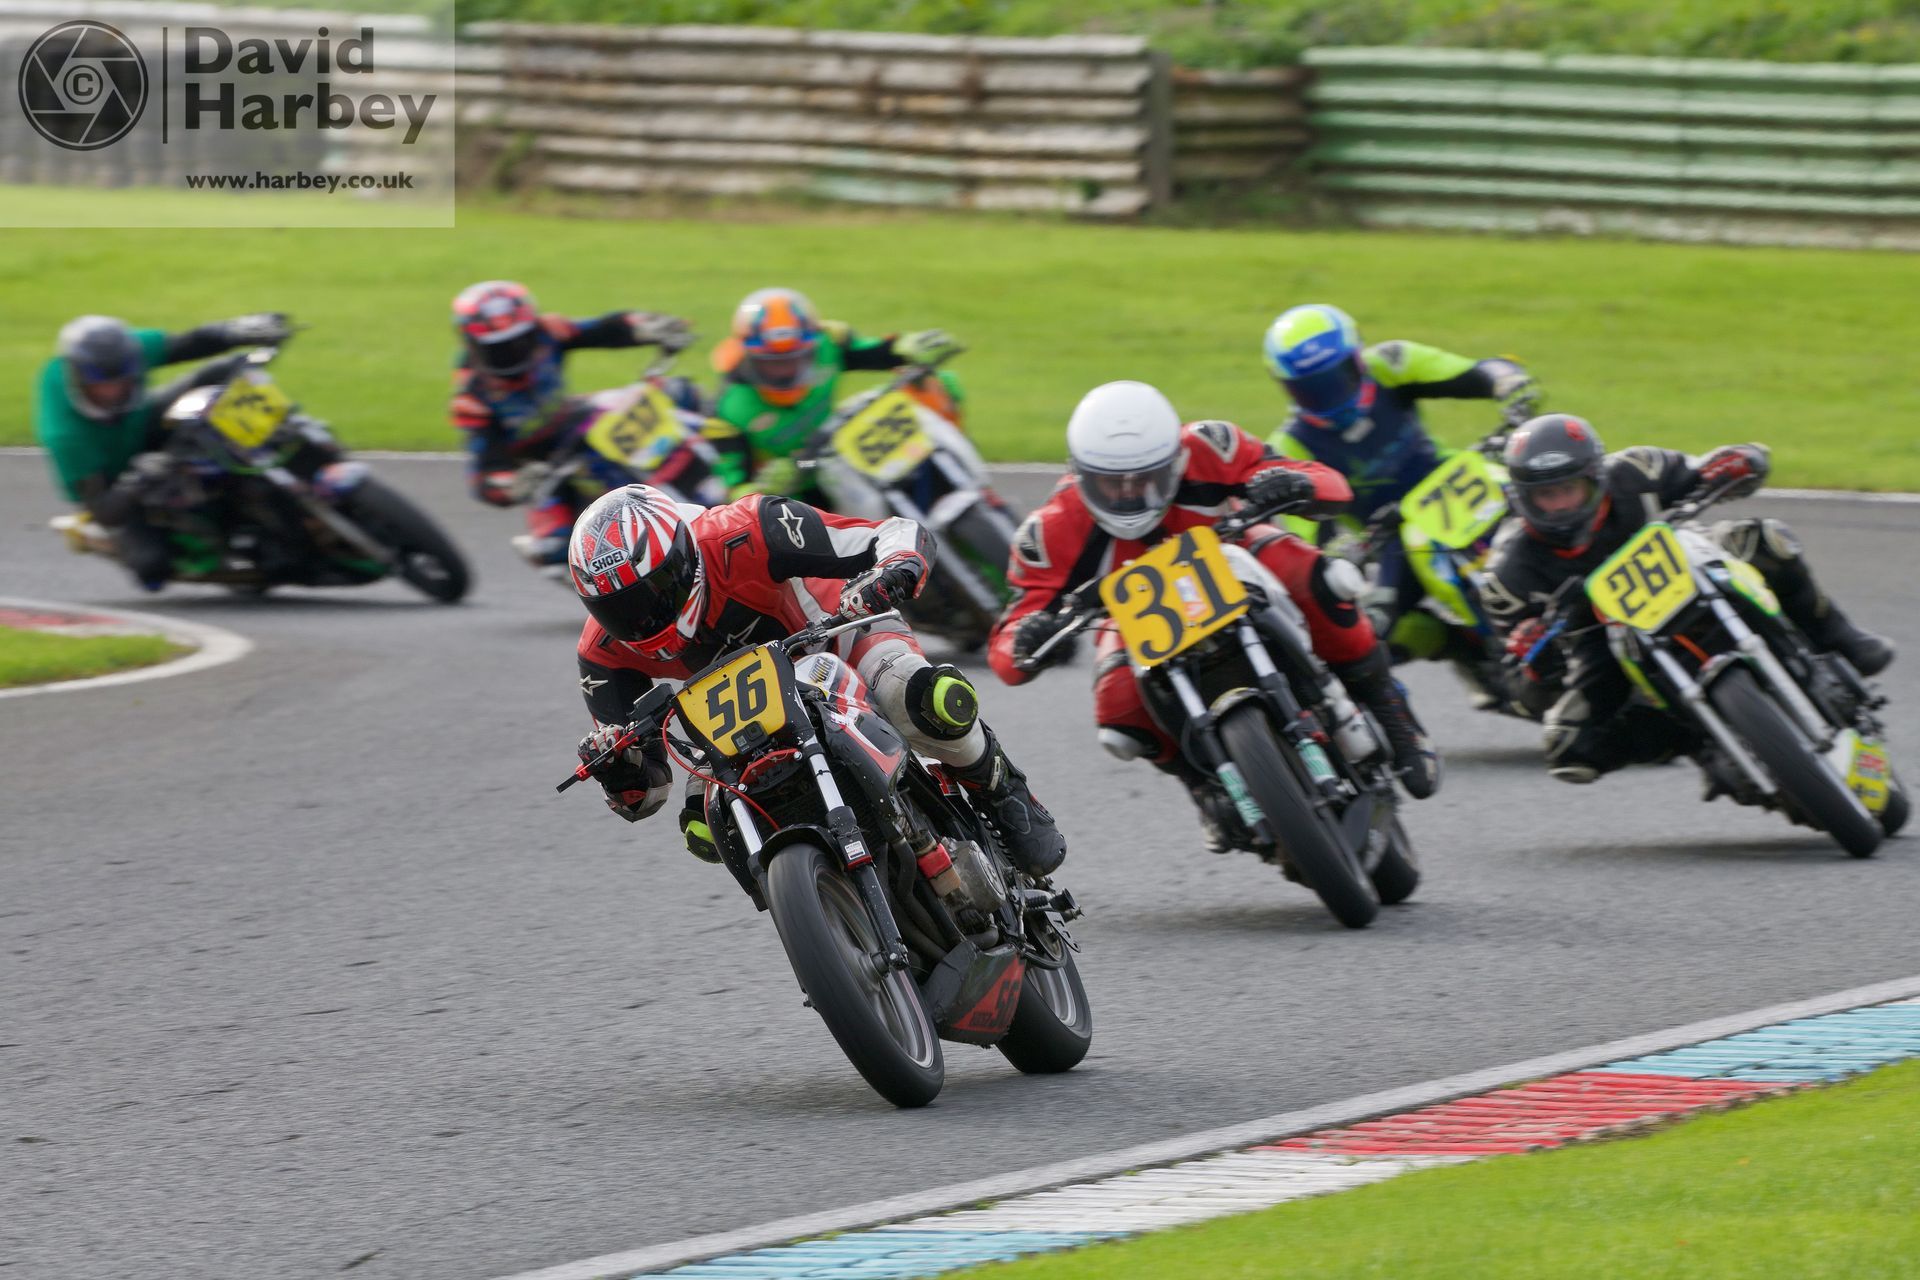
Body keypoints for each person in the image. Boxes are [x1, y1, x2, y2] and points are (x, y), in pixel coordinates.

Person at [986, 381, 1440, 854]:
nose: (1129, 494)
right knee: (1117, 709)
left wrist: (1293, 482)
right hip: (1132, 616)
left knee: (1319, 576)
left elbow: (1326, 481)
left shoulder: (1210, 445)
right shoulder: (1052, 529)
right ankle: (1200, 784)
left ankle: (1388, 705)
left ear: (1173, 462)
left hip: (1234, 559)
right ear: (1079, 475)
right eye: (1111, 482)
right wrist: (1030, 640)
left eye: (1145, 479)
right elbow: (1012, 631)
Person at [567, 484, 1067, 877]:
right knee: (706, 829)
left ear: (681, 556)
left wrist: (893, 569)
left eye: (652, 592)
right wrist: (617, 768)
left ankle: (1000, 784)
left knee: (924, 698)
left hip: (835, 634)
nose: (643, 618)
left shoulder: (748, 529)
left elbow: (890, 533)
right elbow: (646, 793)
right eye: (619, 609)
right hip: (729, 712)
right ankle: (830, 901)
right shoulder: (601, 653)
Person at [1482, 413, 1895, 784]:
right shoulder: (1507, 573)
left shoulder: (1635, 470)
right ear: (1522, 497)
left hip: (1688, 562)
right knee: (1569, 747)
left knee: (1768, 541)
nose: (1559, 505)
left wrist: (1738, 462)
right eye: (1546, 496)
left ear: (1595, 477)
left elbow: (1703, 470)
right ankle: (1697, 740)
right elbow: (1518, 684)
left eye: (1570, 489)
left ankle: (1839, 636)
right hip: (1601, 637)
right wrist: (1534, 661)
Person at [1262, 303, 1539, 683]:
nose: (1328, 397)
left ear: (1357, 359)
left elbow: (1471, 371)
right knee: (1371, 631)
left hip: (1458, 478)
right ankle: (1461, 648)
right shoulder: (1291, 447)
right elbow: (1305, 539)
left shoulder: (1391, 363)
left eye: (1336, 379)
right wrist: (1337, 551)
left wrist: (1507, 384)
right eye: (1311, 390)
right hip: (1393, 536)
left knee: (1549, 503)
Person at [33, 311, 295, 589]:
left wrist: (234, 332)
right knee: (153, 566)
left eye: (122, 380)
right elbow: (103, 509)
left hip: (141, 426)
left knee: (226, 371)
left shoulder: (127, 350)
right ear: (79, 380)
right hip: (115, 482)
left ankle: (289, 436)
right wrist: (137, 481)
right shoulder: (67, 435)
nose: (114, 392)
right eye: (102, 385)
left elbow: (186, 344)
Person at [450, 280, 697, 567]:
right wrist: (514, 485)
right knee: (551, 546)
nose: (513, 353)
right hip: (541, 466)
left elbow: (603, 329)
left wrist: (644, 326)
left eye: (520, 341)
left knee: (676, 392)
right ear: (474, 346)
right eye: (499, 348)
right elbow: (483, 475)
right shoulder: (472, 395)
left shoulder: (548, 332)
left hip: (573, 420)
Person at [703, 287, 972, 501]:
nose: (784, 370)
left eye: (794, 359)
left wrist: (908, 346)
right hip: (800, 479)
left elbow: (878, 351)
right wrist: (761, 488)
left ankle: (964, 476)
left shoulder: (829, 341)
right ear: (748, 355)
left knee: (939, 385)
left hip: (842, 449)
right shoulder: (727, 411)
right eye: (772, 361)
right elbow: (732, 487)